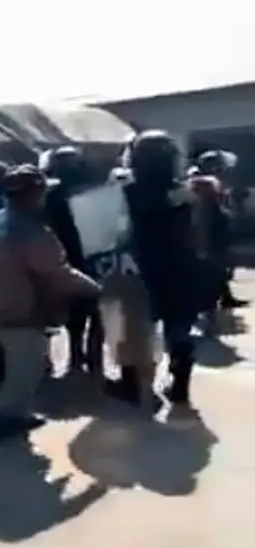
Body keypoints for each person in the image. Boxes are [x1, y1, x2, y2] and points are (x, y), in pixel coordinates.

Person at [0, 164, 101, 441]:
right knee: (26, 371)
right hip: (23, 308)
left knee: (23, 365)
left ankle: (18, 415)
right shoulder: (32, 231)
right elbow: (57, 272)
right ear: (34, 194)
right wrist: (94, 288)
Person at [116, 130, 208, 412]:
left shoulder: (125, 192)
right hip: (182, 267)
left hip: (139, 266)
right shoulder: (186, 192)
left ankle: (133, 387)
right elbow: (198, 233)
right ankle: (180, 387)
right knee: (179, 329)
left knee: (131, 331)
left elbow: (116, 233)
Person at [40, 146, 104, 374]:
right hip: (95, 253)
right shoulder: (94, 189)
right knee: (97, 308)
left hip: (64, 254)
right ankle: (93, 358)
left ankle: (76, 355)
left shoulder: (49, 193)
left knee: (72, 309)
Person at [196, 149, 248, 310]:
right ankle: (209, 302)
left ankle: (224, 297)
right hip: (210, 233)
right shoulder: (203, 183)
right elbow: (208, 210)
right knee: (214, 268)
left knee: (222, 267)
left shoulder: (217, 183)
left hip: (218, 232)